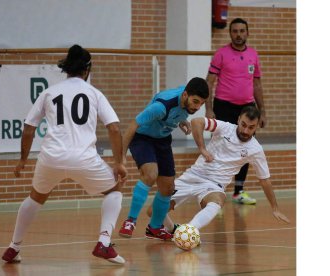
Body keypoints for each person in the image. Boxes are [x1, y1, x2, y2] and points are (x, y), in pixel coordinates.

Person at [1, 44, 128, 265]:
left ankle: (13, 247)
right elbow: (114, 128)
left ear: (67, 68)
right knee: (115, 189)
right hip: (84, 158)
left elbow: (29, 128)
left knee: (36, 197)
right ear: (87, 69)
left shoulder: (49, 92)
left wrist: (22, 160)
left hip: (51, 158)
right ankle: (104, 243)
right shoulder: (95, 93)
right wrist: (119, 163)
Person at [148, 106, 290, 236]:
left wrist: (275, 208)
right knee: (153, 212)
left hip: (214, 185)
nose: (246, 131)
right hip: (193, 176)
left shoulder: (255, 149)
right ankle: (173, 229)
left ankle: (189, 231)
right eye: (243, 125)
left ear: (257, 126)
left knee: (217, 201)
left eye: (251, 127)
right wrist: (202, 149)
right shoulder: (225, 127)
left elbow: (264, 180)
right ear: (238, 120)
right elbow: (197, 122)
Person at [118, 77, 209, 241]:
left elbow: (179, 109)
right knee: (151, 174)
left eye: (201, 104)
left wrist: (182, 120)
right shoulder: (160, 107)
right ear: (185, 95)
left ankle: (154, 227)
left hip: (162, 140)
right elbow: (133, 125)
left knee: (168, 188)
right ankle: (130, 221)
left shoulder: (185, 98)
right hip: (142, 138)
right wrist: (121, 158)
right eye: (195, 102)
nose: (197, 107)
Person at [205, 17, 267, 205]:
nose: (238, 34)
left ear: (247, 33)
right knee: (220, 147)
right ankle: (214, 191)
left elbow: (256, 84)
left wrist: (262, 111)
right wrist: (208, 109)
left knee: (244, 148)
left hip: (247, 108)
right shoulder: (221, 54)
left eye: (242, 31)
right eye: (235, 31)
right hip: (223, 106)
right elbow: (209, 82)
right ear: (230, 33)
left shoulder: (253, 55)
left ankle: (239, 191)